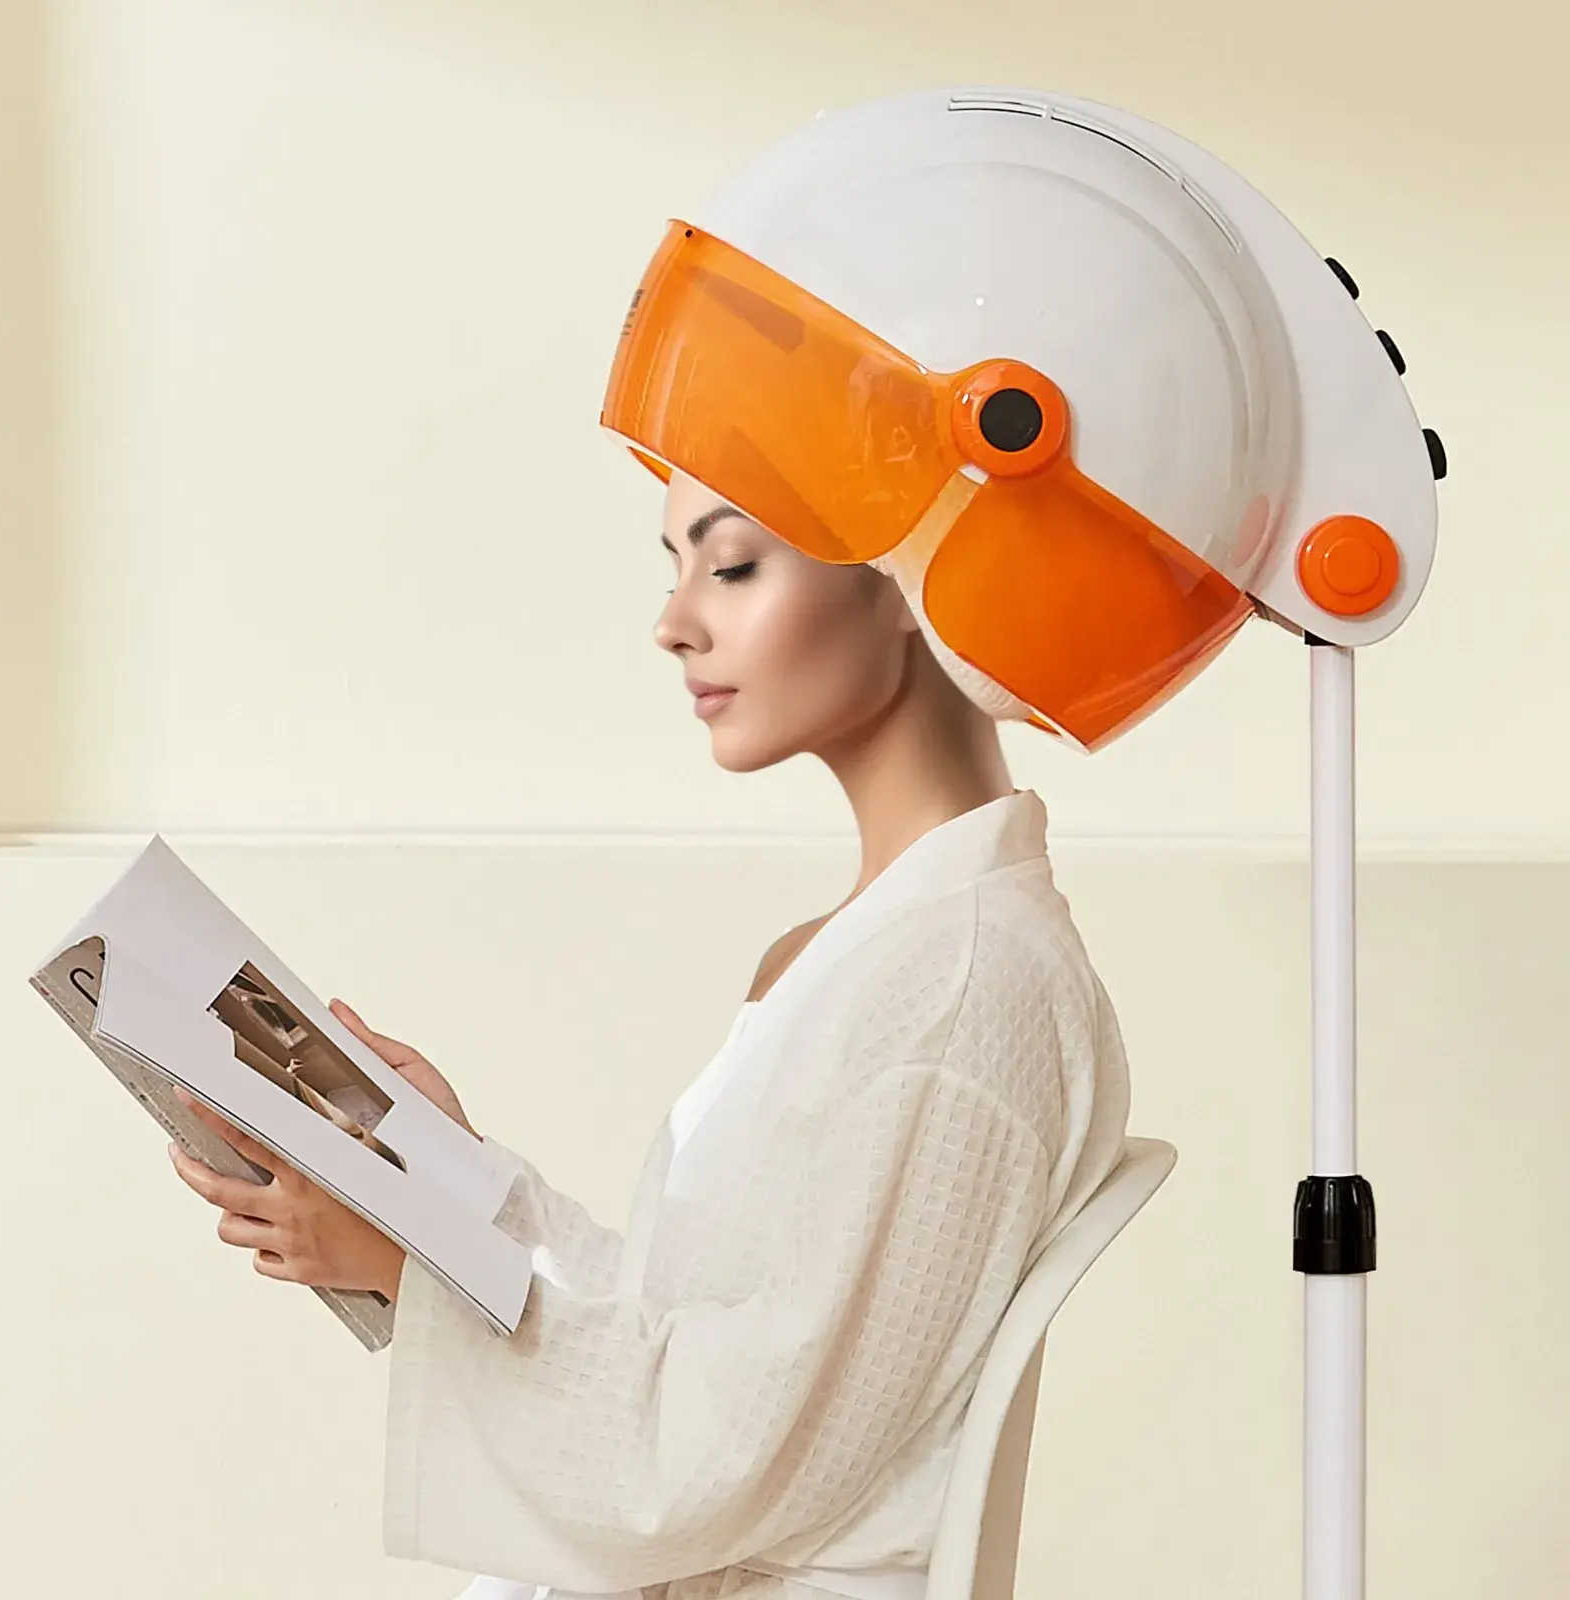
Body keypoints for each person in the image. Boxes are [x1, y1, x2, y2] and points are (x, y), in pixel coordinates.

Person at [169, 464, 1132, 1600]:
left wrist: (401, 1266)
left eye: (733, 565)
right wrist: (454, 1181)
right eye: (677, 569)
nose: (675, 623)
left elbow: (715, 1461)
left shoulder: (961, 986)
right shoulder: (868, 954)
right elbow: (695, 1334)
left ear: (915, 577)